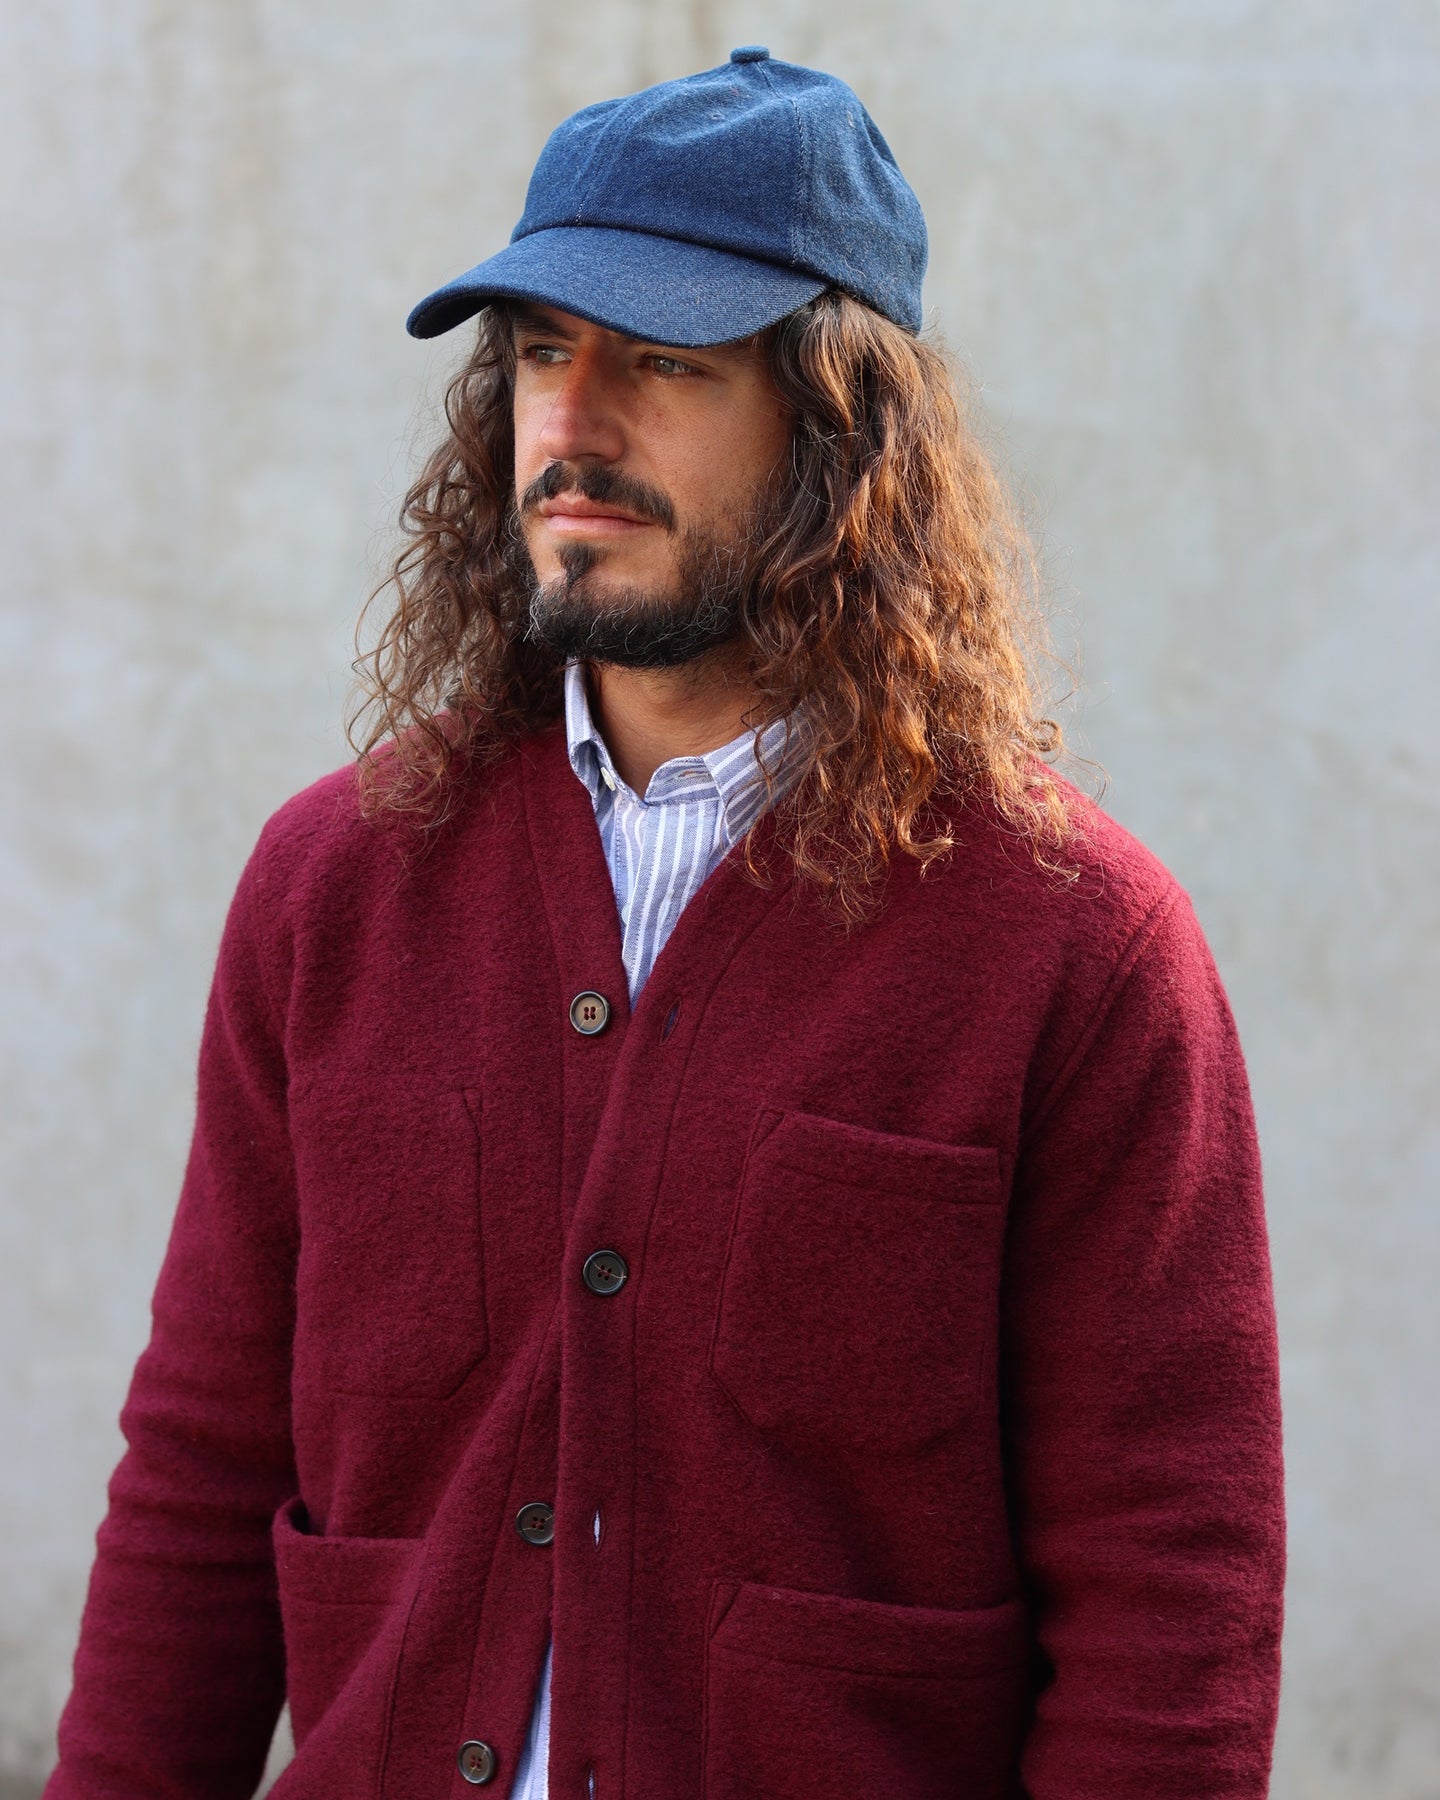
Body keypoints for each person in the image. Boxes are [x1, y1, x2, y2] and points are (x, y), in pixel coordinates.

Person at [46, 46, 1285, 1800]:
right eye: (544, 352)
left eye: (665, 361)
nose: (576, 424)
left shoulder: (1070, 946)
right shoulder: (336, 887)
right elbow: (200, 1471)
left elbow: (1173, 1587)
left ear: (842, 434)